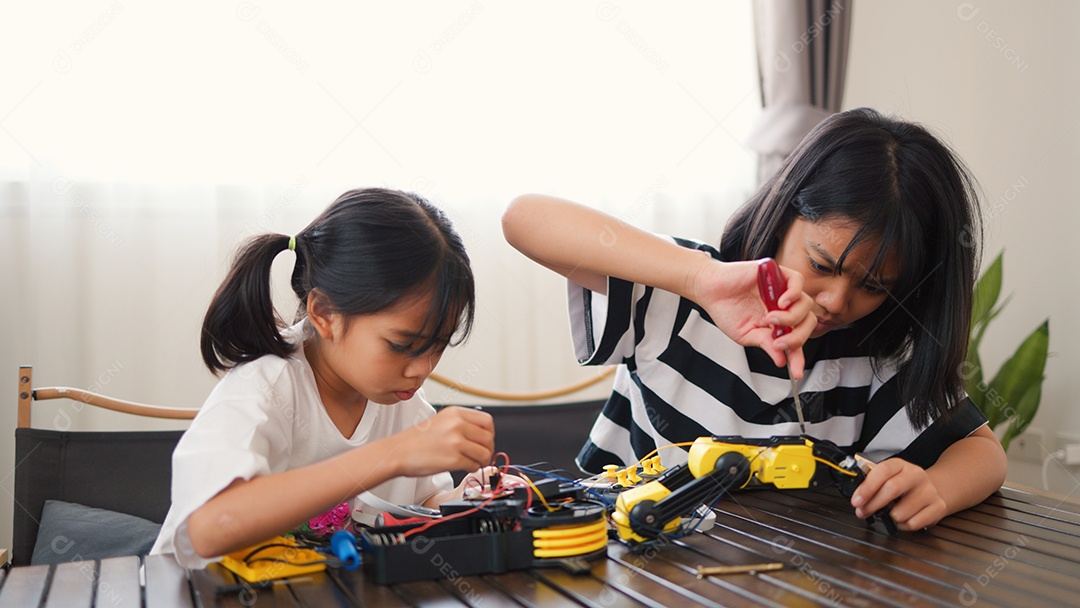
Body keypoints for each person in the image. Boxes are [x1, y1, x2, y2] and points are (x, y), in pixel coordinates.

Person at [502, 108, 1007, 532]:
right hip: (625, 558)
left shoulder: (878, 352)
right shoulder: (679, 295)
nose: (834, 300)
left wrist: (937, 486)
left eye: (873, 286)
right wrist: (698, 278)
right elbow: (524, 218)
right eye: (822, 265)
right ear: (785, 212)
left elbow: (983, 453)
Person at [152, 188, 495, 568]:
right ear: (324, 313)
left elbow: (423, 504)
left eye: (438, 345)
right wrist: (393, 454)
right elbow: (209, 527)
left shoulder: (400, 399)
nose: (422, 368)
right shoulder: (264, 388)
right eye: (403, 344)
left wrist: (468, 499)